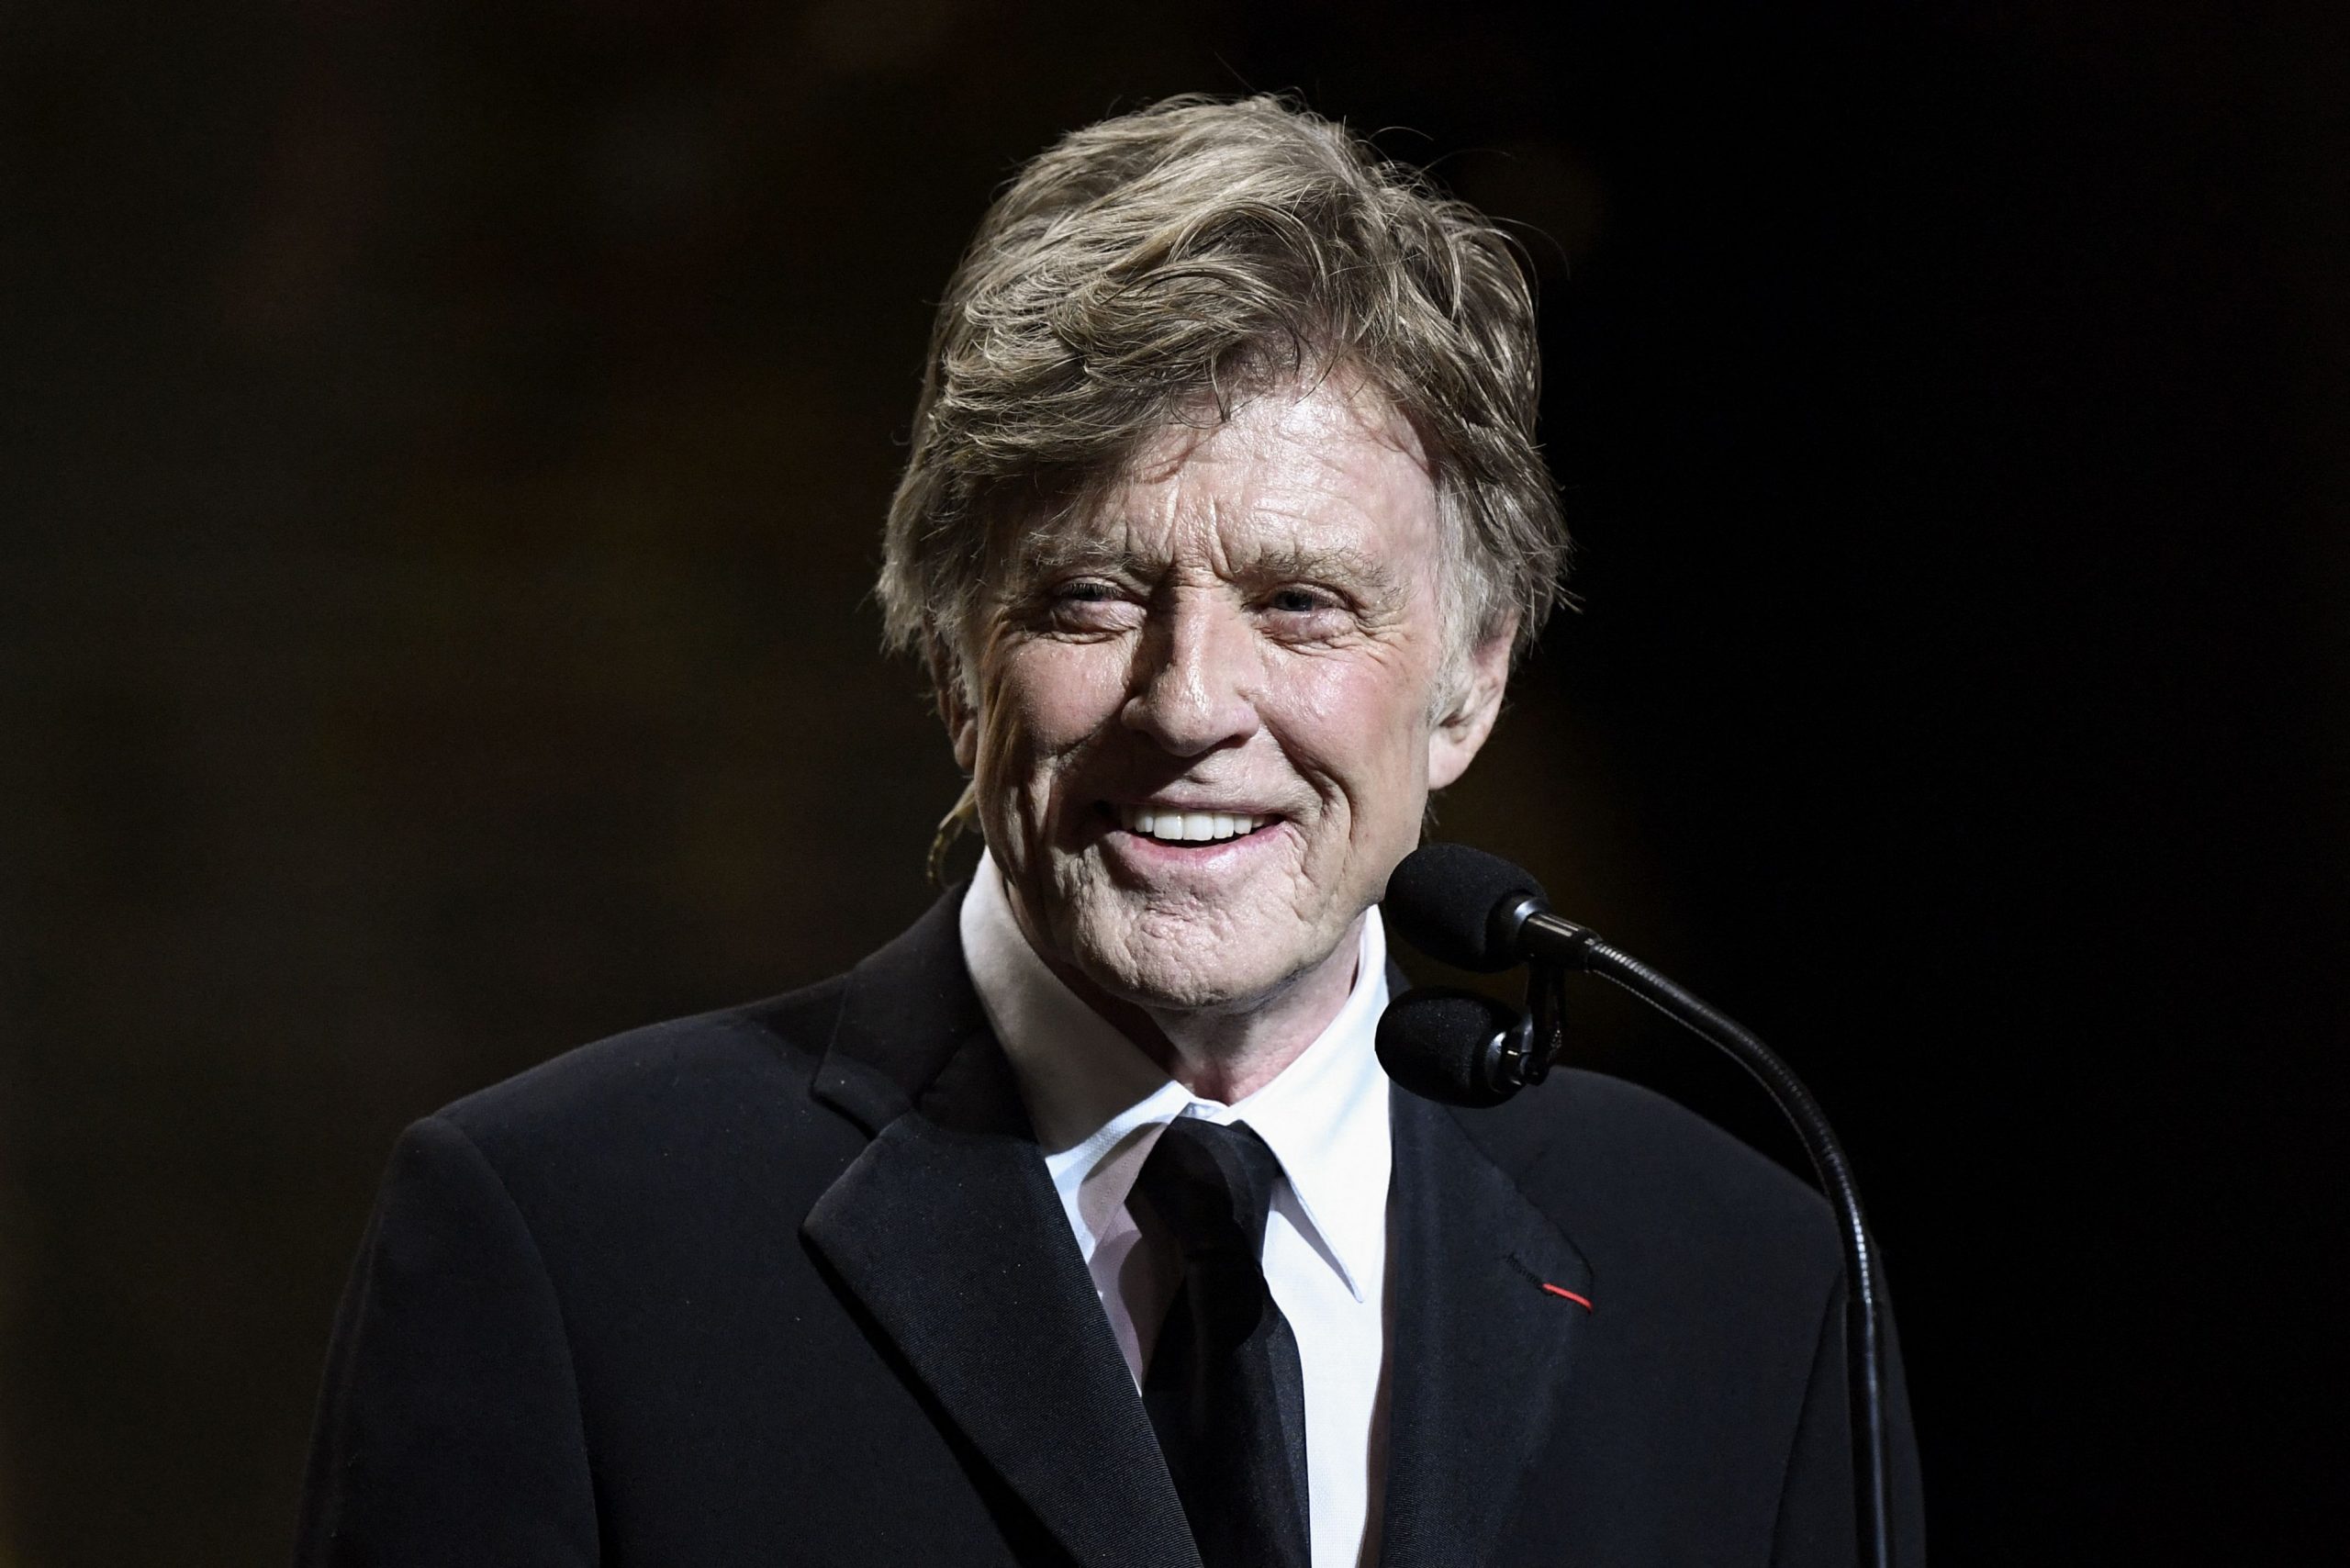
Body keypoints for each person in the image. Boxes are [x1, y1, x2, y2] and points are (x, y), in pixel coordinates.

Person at [296, 95, 1924, 1568]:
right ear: (954, 664)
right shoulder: (560, 1240)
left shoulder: (1750, 1282)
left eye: (1302, 603)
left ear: (1469, 684)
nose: (1189, 702)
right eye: (1090, 596)